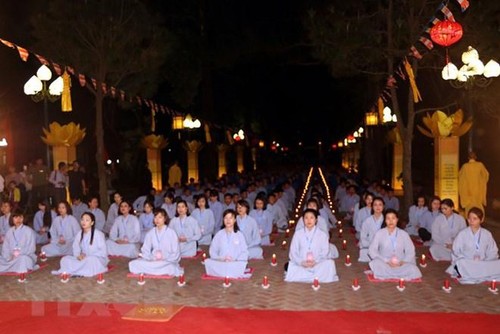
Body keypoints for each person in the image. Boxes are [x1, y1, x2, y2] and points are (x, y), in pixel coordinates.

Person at [445, 207, 500, 284]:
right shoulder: (462, 234)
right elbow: (455, 250)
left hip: (483, 262)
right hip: (468, 263)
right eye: (469, 218)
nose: (471, 221)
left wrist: (486, 260)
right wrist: (465, 259)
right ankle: (479, 273)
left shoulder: (487, 234)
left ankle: (477, 273)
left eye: (475, 218)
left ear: (481, 220)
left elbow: (493, 250)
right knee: (461, 263)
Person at [284, 208, 339, 283]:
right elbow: (293, 252)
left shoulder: (322, 234)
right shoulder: (298, 234)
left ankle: (304, 276)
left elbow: (325, 252)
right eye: (306, 218)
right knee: (290, 265)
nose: (309, 220)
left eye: (311, 218)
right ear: (303, 220)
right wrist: (302, 262)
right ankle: (315, 276)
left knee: (330, 264)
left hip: (317, 263)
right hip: (302, 264)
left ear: (316, 220)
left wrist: (315, 262)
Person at [368, 208, 422, 280]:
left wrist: (403, 262)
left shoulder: (404, 234)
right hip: (385, 264)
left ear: (397, 219)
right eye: (388, 218)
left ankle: (387, 275)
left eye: (393, 218)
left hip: (400, 264)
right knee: (376, 263)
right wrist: (386, 261)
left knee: (413, 269)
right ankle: (397, 275)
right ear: (385, 220)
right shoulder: (379, 233)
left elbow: (410, 250)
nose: (391, 221)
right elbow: (372, 250)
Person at [129, 208, 184, 277]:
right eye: (155, 217)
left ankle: (153, 269)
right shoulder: (150, 233)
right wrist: (151, 258)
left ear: (165, 219)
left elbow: (176, 252)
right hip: (153, 260)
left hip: (166, 261)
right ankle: (157, 270)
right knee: (133, 264)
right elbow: (145, 249)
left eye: (160, 217)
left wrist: (165, 259)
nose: (157, 220)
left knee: (171, 267)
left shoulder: (171, 232)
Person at [51, 212, 109, 277]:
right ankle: (76, 271)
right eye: (82, 220)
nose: (84, 222)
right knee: (64, 259)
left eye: (87, 220)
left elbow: (103, 252)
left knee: (90, 260)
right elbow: (75, 247)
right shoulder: (79, 233)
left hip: (96, 259)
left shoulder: (99, 234)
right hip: (82, 259)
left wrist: (88, 256)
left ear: (92, 223)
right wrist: (78, 255)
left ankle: (75, 271)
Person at [204, 209, 250, 278]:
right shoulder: (219, 234)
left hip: (235, 262)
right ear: (223, 220)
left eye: (230, 218)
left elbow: (245, 251)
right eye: (226, 218)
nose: (228, 220)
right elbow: (212, 250)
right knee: (208, 261)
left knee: (240, 264)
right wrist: (221, 258)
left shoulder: (239, 234)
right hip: (221, 262)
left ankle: (225, 272)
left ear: (234, 220)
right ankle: (230, 272)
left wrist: (235, 259)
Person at [0, 209, 38, 274]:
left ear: (23, 218)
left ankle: (12, 267)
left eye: (20, 217)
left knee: (23, 259)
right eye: (16, 217)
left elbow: (31, 249)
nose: (18, 219)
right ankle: (13, 266)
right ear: (12, 219)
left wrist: (18, 254)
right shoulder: (9, 232)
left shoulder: (28, 231)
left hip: (25, 256)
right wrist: (9, 256)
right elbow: (5, 247)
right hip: (11, 258)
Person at [458, 151, 489, 216]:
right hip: (478, 192)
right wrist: (481, 182)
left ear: (468, 158)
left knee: (469, 207)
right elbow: (486, 175)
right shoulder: (480, 165)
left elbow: (460, 178)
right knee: (478, 206)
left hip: (468, 192)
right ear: (476, 157)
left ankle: (470, 220)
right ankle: (479, 219)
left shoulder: (465, 166)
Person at [358, 197, 385, 262]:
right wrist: (372, 245)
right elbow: (363, 237)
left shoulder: (387, 220)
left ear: (383, 206)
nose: (378, 207)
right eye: (375, 205)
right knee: (364, 252)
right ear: (372, 207)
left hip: (384, 246)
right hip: (370, 245)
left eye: (380, 205)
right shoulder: (367, 221)